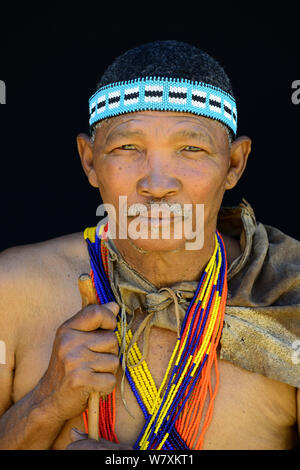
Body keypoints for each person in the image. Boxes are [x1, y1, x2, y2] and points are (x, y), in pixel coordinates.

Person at [0, 40, 299, 451]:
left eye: (191, 149)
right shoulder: (13, 290)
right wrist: (46, 402)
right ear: (89, 160)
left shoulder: (288, 295)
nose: (157, 185)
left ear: (234, 163)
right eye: (128, 148)